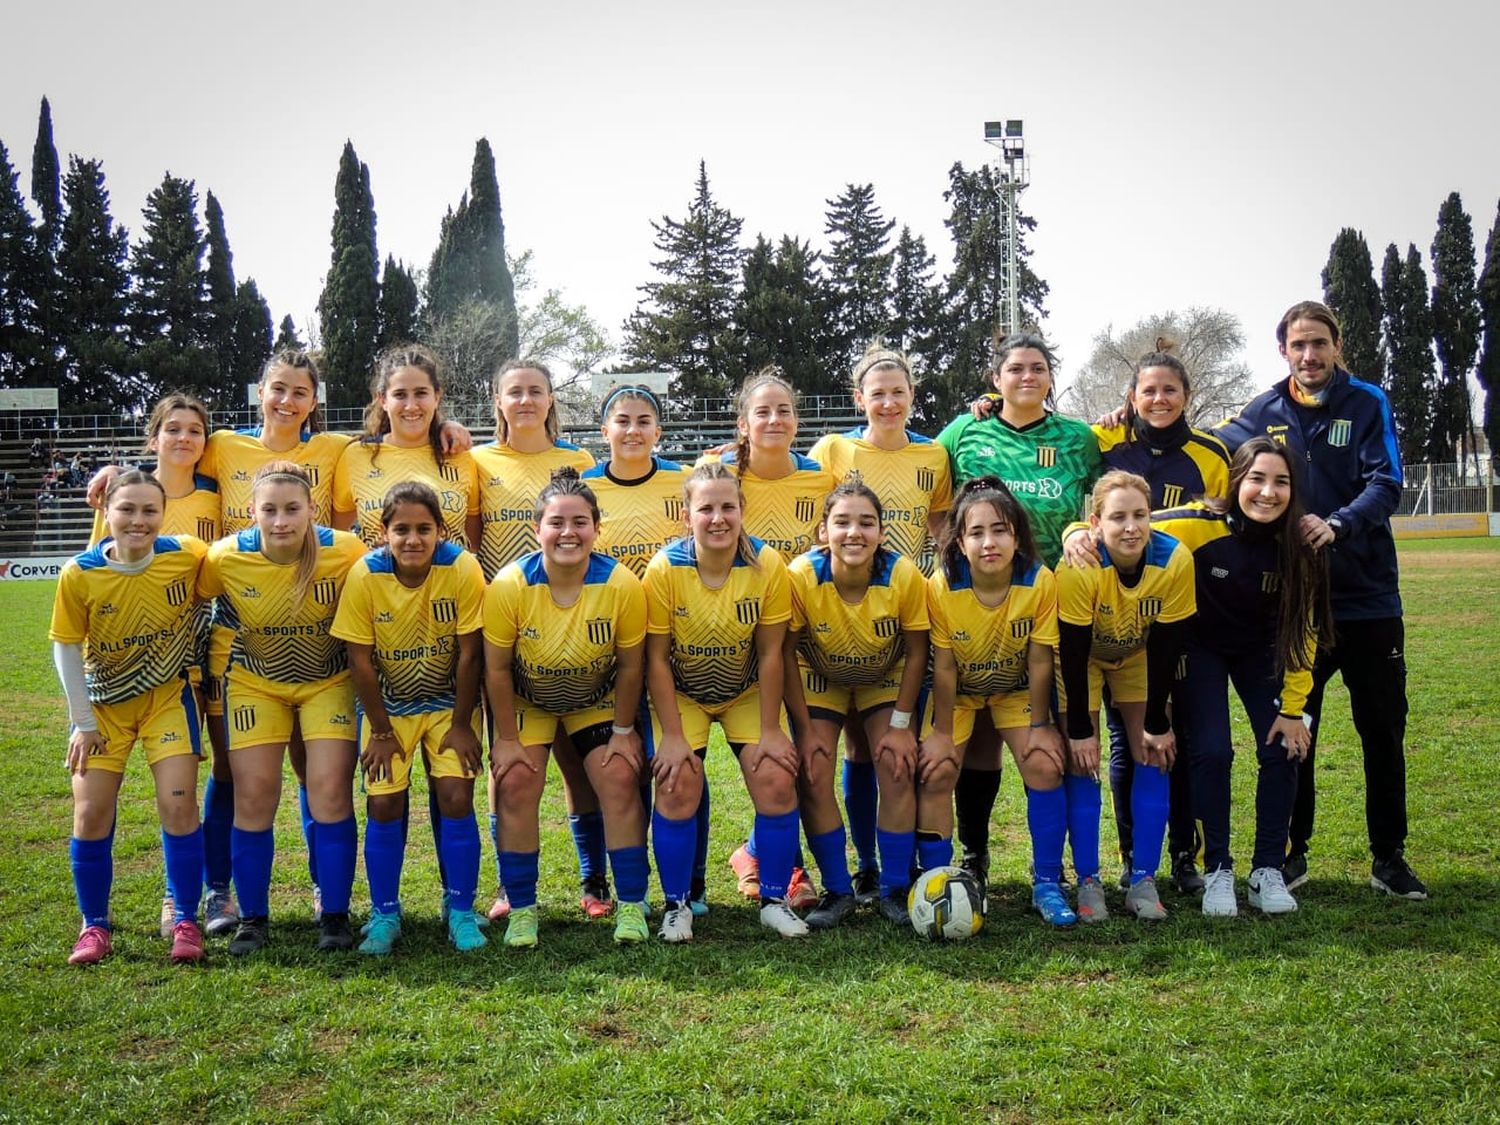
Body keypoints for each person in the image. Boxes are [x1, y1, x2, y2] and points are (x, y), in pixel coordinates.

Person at [1213, 300, 1425, 899]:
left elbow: (1387, 482)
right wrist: (1126, 417)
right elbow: (1206, 446)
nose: (1309, 355)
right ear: (1283, 349)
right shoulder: (1263, 410)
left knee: (1382, 732)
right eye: (1297, 344)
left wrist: (1338, 524)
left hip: (1367, 599)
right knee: (1296, 727)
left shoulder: (1367, 402)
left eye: (1319, 343)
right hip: (1294, 604)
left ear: (1337, 347)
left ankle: (1389, 858)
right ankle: (1290, 854)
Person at [1060, 342, 1231, 894]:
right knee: (1092, 751)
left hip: (1161, 617)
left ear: (1187, 396)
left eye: (1170, 390)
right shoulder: (1106, 441)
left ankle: (1161, 866)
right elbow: (1050, 422)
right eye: (1147, 390)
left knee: (1160, 742)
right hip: (1089, 634)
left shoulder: (1211, 457)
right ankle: (1097, 872)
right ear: (1130, 398)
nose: (1159, 399)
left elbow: (1226, 520)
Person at [936, 333, 1102, 888]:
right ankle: (974, 855)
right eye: (1015, 369)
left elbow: (1109, 494)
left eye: (1038, 368)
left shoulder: (1079, 437)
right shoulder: (966, 431)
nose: (1027, 377)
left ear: (1052, 376)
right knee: (978, 744)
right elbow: (920, 469)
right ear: (996, 379)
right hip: (971, 603)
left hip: (1047, 604)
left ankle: (1057, 869)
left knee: (1048, 743)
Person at [197, 463, 368, 954]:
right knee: (254, 794)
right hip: (256, 684)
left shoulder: (345, 551)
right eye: (268, 510)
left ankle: (335, 914)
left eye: (293, 509)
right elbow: (189, 600)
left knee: (330, 791)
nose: (281, 521)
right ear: (250, 513)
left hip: (328, 682)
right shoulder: (225, 557)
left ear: (313, 511)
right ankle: (253, 918)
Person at [1152, 438, 1329, 916]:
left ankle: (1268, 869)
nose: (1267, 492)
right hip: (1200, 649)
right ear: (1235, 482)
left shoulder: (1301, 546)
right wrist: (1076, 534)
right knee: (1211, 750)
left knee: (1285, 745)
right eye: (1257, 479)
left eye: (1281, 482)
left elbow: (1304, 634)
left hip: (1261, 652)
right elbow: (1118, 522)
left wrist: (1295, 710)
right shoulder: (1192, 524)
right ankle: (1218, 870)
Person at [807, 343, 953, 903]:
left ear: (912, 396)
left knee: (889, 750)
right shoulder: (832, 449)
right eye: (878, 393)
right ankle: (861, 868)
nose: (888, 403)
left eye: (899, 392)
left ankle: (898, 873)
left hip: (899, 608)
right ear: (858, 398)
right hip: (836, 612)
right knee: (847, 752)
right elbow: (801, 494)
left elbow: (940, 524)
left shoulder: (935, 455)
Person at [483, 468, 651, 948]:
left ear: (597, 528)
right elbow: (495, 669)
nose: (568, 533)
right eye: (556, 522)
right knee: (513, 780)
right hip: (528, 700)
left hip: (592, 700)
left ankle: (634, 905)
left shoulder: (620, 584)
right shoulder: (511, 584)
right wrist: (508, 740)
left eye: (580, 522)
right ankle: (522, 908)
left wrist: (623, 731)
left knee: (619, 775)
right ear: (537, 530)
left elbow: (630, 666)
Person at [49, 471, 210, 965]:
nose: (138, 521)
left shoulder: (185, 554)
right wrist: (82, 722)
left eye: (148, 511)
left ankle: (185, 918)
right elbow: (67, 649)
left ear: (163, 515)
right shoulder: (79, 572)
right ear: (107, 513)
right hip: (102, 710)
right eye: (127, 510)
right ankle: (93, 925)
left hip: (167, 699)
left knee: (178, 805)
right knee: (90, 813)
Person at [643, 462, 804, 942]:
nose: (718, 518)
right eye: (706, 508)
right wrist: (672, 737)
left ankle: (775, 899)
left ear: (742, 511)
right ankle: (677, 906)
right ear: (687, 514)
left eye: (728, 507)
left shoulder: (766, 564)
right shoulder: (666, 568)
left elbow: (772, 651)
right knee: (676, 784)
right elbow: (655, 659)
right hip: (684, 694)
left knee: (777, 776)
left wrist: (773, 729)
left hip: (745, 692)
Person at [86, 394, 226, 938]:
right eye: (173, 429)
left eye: (196, 430)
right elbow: (96, 574)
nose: (185, 438)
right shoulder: (122, 496)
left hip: (208, 649)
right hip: (131, 672)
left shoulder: (217, 491)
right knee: (108, 793)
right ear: (154, 437)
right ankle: (113, 914)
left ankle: (207, 892)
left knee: (217, 773)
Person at [330, 482, 489, 954]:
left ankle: (460, 909)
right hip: (389, 708)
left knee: (457, 797)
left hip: (447, 703)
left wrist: (462, 724)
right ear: (383, 532)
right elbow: (359, 659)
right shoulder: (365, 574)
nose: (413, 539)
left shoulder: (461, 566)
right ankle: (384, 914)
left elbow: (469, 654)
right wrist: (379, 730)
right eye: (402, 529)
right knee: (383, 804)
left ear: (441, 529)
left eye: (424, 529)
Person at [470, 359, 601, 924]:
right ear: (497, 401)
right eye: (514, 392)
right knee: (513, 765)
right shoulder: (475, 461)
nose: (525, 400)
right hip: (504, 625)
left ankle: (593, 879)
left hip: (571, 627)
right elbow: (472, 538)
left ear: (551, 400)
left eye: (536, 391)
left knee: (578, 765)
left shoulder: (579, 462)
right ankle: (510, 885)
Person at [707, 367, 834, 909]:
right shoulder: (721, 478)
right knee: (779, 760)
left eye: (784, 410)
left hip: (804, 639)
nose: (774, 419)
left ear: (798, 421)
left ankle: (761, 852)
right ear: (743, 423)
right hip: (744, 646)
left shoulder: (821, 477)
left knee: (799, 759)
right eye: (763, 411)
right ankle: (783, 865)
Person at [781, 474, 929, 929]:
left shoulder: (901, 574)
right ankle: (838, 889)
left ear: (882, 532)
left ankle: (894, 887)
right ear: (823, 531)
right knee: (813, 769)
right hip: (819, 675)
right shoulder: (802, 576)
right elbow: (784, 651)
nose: (854, 532)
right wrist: (804, 732)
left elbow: (920, 648)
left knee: (897, 766)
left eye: (867, 523)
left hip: (883, 675)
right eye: (842, 522)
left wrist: (903, 725)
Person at [924, 478, 1071, 926]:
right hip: (961, 693)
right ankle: (940, 879)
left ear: (1017, 536)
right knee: (938, 768)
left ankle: (1047, 879)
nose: (989, 542)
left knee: (1044, 763)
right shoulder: (943, 584)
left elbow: (1041, 657)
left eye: (1000, 530)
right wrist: (942, 734)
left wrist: (1043, 724)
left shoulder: (1039, 580)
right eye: (976, 533)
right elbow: (945, 668)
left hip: (1014, 689)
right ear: (960, 542)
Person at [1056, 472, 1195, 921]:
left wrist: (1157, 720)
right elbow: (1074, 654)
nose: (1131, 526)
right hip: (1084, 660)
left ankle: (1143, 879)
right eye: (1118, 517)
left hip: (1137, 653)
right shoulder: (1080, 565)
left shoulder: (1174, 560)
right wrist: (1079, 729)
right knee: (1082, 759)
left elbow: (1167, 645)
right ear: (1095, 522)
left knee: (1154, 753)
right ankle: (1089, 880)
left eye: (1140, 515)